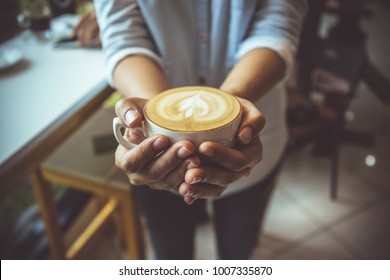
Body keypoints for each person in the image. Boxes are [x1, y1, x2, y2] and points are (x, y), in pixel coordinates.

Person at [94, 0, 307, 259]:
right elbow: (123, 35)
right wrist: (151, 114)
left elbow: (277, 26)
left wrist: (232, 105)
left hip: (253, 139)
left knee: (238, 255)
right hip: (159, 165)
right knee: (172, 259)